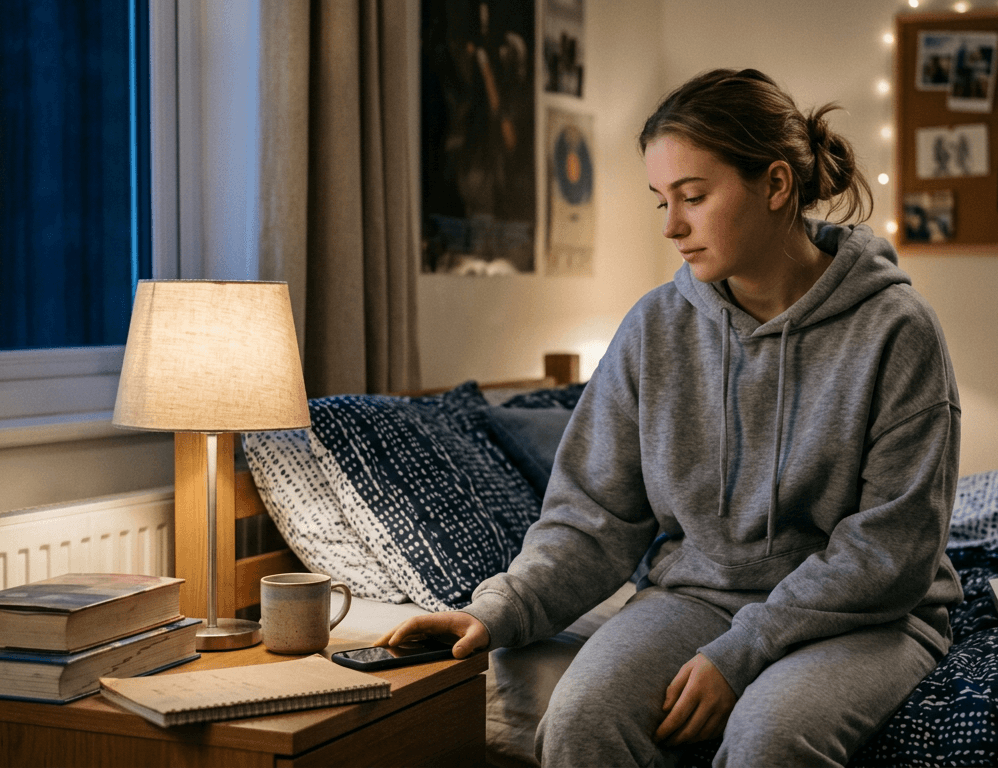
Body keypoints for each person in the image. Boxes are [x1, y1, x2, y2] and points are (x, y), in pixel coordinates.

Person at [378, 67, 963, 767]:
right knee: (580, 720)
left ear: (776, 186)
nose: (671, 226)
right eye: (661, 201)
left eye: (692, 196)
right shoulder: (656, 327)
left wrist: (742, 652)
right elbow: (593, 518)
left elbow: (889, 553)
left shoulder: (897, 330)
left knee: (768, 737)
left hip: (867, 617)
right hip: (696, 595)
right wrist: (495, 610)